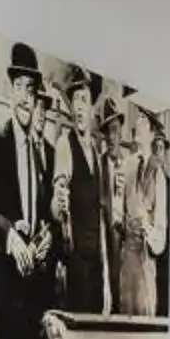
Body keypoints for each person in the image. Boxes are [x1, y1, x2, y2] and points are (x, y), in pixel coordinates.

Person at [0, 43, 57, 339]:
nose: (24, 97)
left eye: (30, 90)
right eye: (18, 87)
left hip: (37, 291)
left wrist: (49, 236)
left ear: (35, 99)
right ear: (11, 92)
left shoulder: (40, 152)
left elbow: (46, 215)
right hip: (6, 288)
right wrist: (10, 235)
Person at [51, 68, 113, 320]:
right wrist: (59, 202)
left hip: (96, 266)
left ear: (91, 110)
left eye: (83, 101)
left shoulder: (98, 156)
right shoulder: (65, 144)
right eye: (75, 100)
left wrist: (106, 277)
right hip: (75, 263)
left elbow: (100, 219)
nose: (78, 107)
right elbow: (57, 199)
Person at [109, 102, 167, 319]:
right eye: (139, 117)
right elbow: (115, 215)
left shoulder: (158, 175)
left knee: (144, 322)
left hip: (146, 261)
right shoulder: (125, 166)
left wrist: (147, 230)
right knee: (125, 322)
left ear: (152, 133)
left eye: (143, 119)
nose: (137, 123)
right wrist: (121, 221)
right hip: (126, 262)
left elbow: (161, 235)